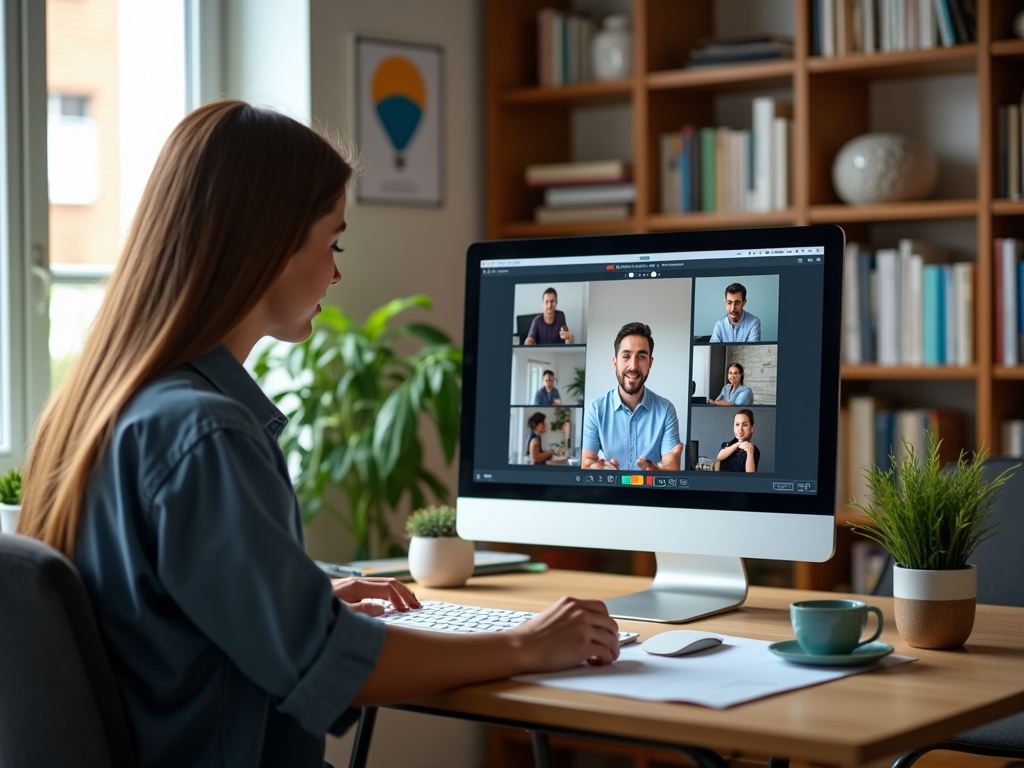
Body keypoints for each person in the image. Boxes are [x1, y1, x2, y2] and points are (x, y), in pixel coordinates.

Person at [17, 101, 620, 768]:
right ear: (267, 246)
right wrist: (529, 644)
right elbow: (335, 667)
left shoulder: (100, 406)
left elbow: (149, 614)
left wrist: (296, 597)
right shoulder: (203, 432)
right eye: (332, 243)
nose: (336, 273)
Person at [581, 322, 683, 472]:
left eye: (641, 357)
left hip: (651, 493)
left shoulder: (666, 410)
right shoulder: (595, 410)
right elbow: (587, 464)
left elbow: (671, 467)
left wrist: (658, 472)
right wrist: (599, 470)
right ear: (615, 362)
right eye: (626, 356)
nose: (633, 366)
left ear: (650, 363)